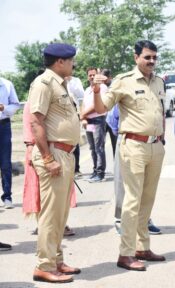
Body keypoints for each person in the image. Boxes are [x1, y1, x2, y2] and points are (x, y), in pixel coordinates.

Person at [91, 40, 167, 271]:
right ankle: (125, 253)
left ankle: (142, 247)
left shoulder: (159, 82)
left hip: (155, 146)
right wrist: (96, 91)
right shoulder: (124, 81)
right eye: (147, 57)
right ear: (136, 58)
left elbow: (161, 113)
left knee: (147, 199)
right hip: (134, 146)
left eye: (154, 57)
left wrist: (162, 140)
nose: (151, 61)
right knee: (132, 201)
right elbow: (102, 108)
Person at [27, 43, 81, 283]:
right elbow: (36, 122)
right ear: (60, 62)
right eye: (70, 60)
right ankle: (44, 265)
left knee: (60, 213)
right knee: (50, 215)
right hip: (53, 153)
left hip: (65, 153)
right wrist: (48, 159)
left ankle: (56, 260)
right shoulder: (43, 84)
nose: (73, 64)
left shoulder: (61, 84)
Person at [106, 103, 162, 236]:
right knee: (122, 182)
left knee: (146, 185)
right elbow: (112, 118)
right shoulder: (124, 86)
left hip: (150, 143)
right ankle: (120, 219)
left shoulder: (155, 86)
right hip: (128, 140)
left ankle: (144, 221)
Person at [23, 100, 77, 237]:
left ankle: (60, 224)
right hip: (40, 150)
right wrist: (30, 147)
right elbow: (31, 124)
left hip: (61, 149)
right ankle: (42, 224)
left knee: (59, 192)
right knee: (39, 190)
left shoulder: (60, 96)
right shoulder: (35, 99)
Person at [80, 67, 108, 182]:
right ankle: (95, 170)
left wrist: (82, 115)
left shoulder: (102, 88)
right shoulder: (87, 90)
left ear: (97, 75)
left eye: (94, 75)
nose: (92, 77)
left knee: (99, 148)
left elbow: (96, 106)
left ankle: (100, 173)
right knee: (92, 148)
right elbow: (84, 104)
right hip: (89, 122)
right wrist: (83, 118)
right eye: (90, 75)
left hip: (98, 120)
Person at [0, 76, 20, 208]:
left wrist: (4, 108)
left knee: (5, 163)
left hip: (3, 126)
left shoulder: (7, 84)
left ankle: (7, 196)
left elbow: (16, 104)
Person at [64, 75, 85, 178]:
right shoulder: (56, 79)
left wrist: (70, 82)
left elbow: (81, 94)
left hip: (74, 112)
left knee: (74, 141)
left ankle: (76, 168)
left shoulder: (76, 80)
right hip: (62, 114)